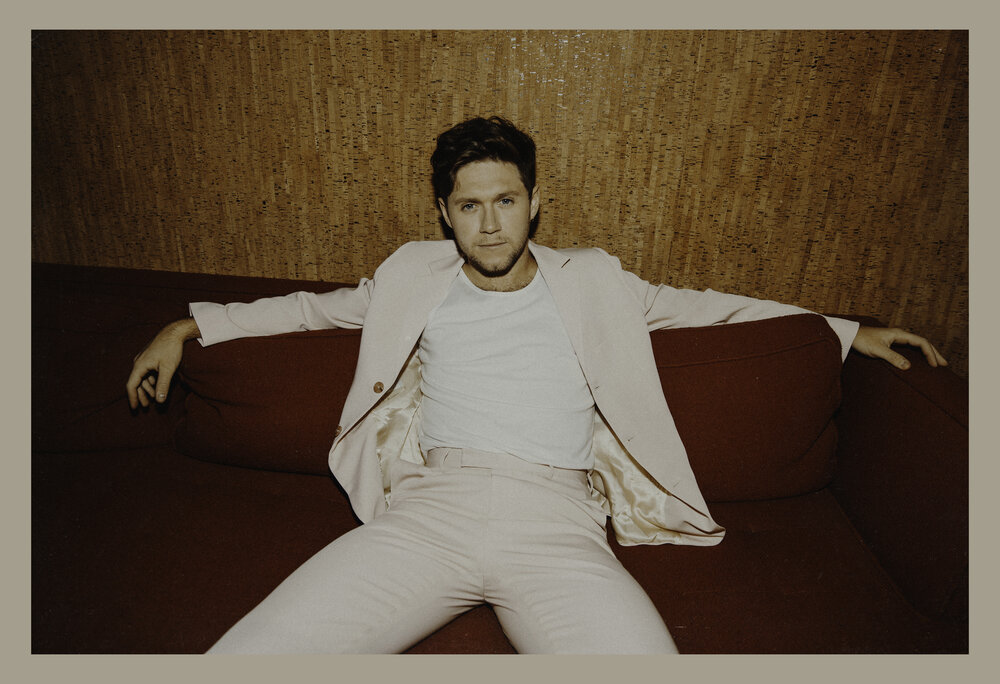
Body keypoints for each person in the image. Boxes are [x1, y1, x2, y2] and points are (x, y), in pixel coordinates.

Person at [126, 116, 947, 654]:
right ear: (445, 213)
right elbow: (311, 309)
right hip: (429, 515)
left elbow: (716, 307)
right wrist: (187, 327)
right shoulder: (410, 275)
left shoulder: (597, 280)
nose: (490, 224)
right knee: (253, 655)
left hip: (558, 524)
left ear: (535, 202)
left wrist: (847, 331)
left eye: (506, 201)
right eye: (469, 206)